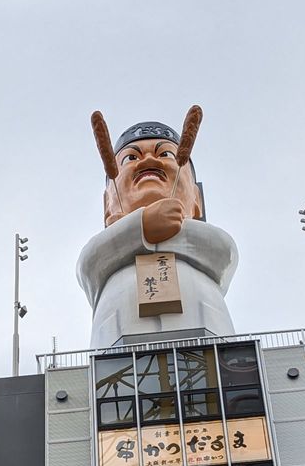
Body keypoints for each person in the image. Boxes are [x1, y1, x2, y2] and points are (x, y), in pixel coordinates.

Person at [77, 120, 238, 349]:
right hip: (118, 350)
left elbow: (225, 253)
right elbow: (88, 265)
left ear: (197, 200)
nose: (149, 161)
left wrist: (142, 233)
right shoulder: (100, 251)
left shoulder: (212, 242)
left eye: (165, 154)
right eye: (131, 158)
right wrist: (141, 226)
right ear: (107, 205)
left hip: (207, 340)